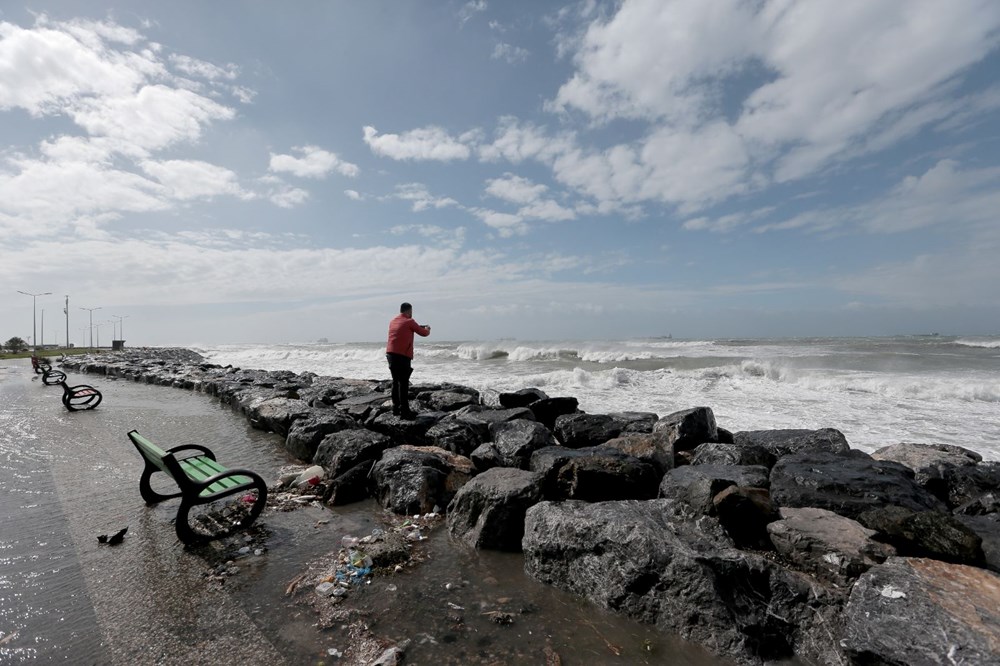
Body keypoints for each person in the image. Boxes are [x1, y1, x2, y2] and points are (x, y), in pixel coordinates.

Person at [386, 302, 430, 419]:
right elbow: (424, 333)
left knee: (395, 381)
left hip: (390, 354)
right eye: (411, 312)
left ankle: (396, 409)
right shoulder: (409, 321)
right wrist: (428, 328)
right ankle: (405, 412)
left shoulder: (393, 321)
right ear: (409, 311)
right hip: (402, 356)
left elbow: (404, 330)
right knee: (403, 383)